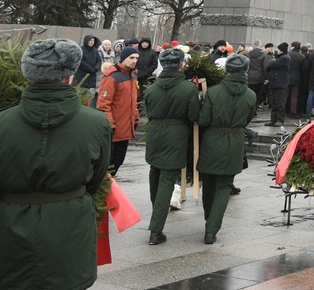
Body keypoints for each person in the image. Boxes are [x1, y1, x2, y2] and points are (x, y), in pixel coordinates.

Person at [0, 39, 111, 290]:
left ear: (28, 76)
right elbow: (96, 179)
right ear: (69, 77)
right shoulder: (96, 123)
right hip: (70, 228)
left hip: (11, 230)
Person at [142, 47, 200, 245]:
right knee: (167, 178)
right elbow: (194, 116)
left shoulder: (151, 89)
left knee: (155, 173)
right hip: (176, 135)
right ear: (181, 65)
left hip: (155, 133)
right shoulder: (188, 88)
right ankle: (156, 230)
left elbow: (149, 113)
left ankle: (156, 212)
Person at [197, 53, 256, 244]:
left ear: (227, 70)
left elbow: (204, 120)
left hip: (212, 141)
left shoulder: (213, 92)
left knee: (208, 183)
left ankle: (209, 219)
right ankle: (211, 230)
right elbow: (248, 119)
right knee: (224, 186)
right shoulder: (251, 95)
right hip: (235, 142)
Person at [97, 45, 140, 174]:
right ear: (123, 58)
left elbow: (133, 102)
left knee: (117, 163)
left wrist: (136, 118)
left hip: (125, 130)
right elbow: (103, 104)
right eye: (131, 58)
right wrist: (110, 125)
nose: (134, 61)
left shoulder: (132, 76)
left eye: (136, 58)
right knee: (107, 166)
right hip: (113, 130)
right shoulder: (112, 76)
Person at [265, 43, 290, 127]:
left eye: (278, 49)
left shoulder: (285, 58)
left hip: (280, 83)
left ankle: (280, 120)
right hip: (275, 82)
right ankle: (273, 119)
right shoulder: (280, 57)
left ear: (281, 50)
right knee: (274, 103)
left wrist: (271, 61)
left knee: (280, 103)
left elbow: (272, 64)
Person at [74, 34, 103, 104]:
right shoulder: (81, 50)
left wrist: (96, 68)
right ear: (86, 41)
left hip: (92, 75)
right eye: (90, 40)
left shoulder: (95, 50)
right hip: (82, 76)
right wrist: (90, 69)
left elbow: (99, 60)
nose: (92, 42)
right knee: (82, 93)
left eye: (93, 40)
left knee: (89, 96)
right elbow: (81, 61)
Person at [246, 40, 268, 107]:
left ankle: (248, 105)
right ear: (260, 45)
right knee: (258, 92)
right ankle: (255, 106)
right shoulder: (264, 55)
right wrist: (266, 78)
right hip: (259, 76)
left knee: (249, 92)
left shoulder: (248, 54)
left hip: (249, 75)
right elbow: (265, 67)